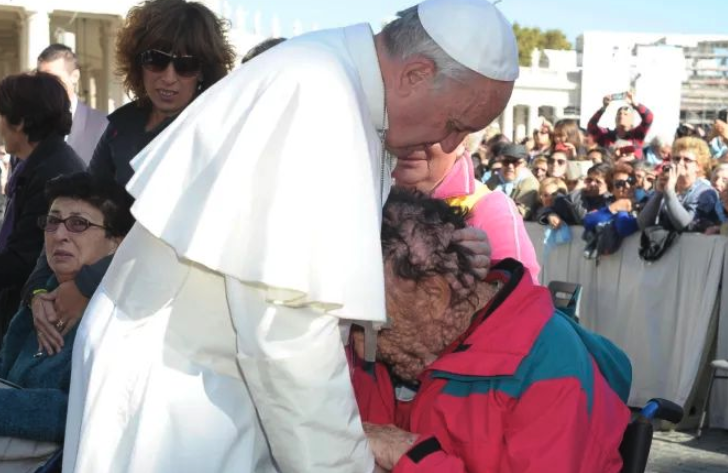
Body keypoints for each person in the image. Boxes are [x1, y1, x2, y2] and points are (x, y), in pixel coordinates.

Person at [62, 1, 519, 472]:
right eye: (454, 124)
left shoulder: (330, 79)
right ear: (417, 74)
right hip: (177, 399)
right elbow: (287, 334)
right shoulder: (320, 95)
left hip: (206, 380)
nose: (447, 145)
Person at [352, 188, 632, 473]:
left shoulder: (549, 368)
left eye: (376, 325)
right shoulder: (405, 337)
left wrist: (413, 458)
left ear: (434, 297)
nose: (361, 346)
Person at [24, 0, 236, 357]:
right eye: (156, 59)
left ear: (204, 71)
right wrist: (38, 292)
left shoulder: (208, 136)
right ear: (138, 61)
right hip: (100, 297)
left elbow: (168, 239)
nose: (168, 76)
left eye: (185, 65)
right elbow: (75, 214)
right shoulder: (122, 127)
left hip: (164, 315)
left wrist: (85, 287)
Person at [0, 172, 132, 445]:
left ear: (116, 243)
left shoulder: (119, 318)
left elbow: (79, 413)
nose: (59, 234)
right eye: (53, 221)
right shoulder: (40, 298)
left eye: (78, 224)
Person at [0, 72, 85, 341]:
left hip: (40, 314)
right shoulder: (37, 162)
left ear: (20, 122)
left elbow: (23, 258)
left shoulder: (53, 171)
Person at [393, 140, 540, 281]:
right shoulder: (377, 196)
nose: (411, 141)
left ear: (461, 139)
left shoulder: (490, 207)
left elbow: (522, 297)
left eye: (429, 128)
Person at [37, 44, 108, 165]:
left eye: (53, 78)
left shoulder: (103, 125)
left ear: (75, 76)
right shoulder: (29, 125)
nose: (46, 85)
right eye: (41, 79)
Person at [638, 137, 719, 233]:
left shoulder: (705, 193)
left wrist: (669, 191)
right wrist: (659, 193)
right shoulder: (667, 185)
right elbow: (643, 224)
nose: (680, 163)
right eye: (676, 159)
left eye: (687, 160)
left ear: (699, 166)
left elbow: (685, 226)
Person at [587, 91, 653, 159]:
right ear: (615, 119)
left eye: (626, 114)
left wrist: (635, 104)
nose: (621, 116)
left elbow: (649, 118)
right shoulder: (606, 136)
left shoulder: (637, 136)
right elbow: (591, 126)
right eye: (619, 114)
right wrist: (603, 108)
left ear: (632, 120)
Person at [485, 143, 539, 219]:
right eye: (506, 162)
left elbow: (521, 212)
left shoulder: (530, 183)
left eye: (516, 162)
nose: (510, 166)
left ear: (524, 164)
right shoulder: (494, 180)